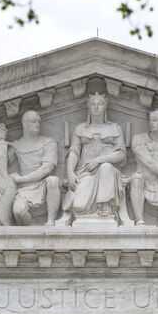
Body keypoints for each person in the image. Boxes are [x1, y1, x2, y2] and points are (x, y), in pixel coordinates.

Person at [64, 93, 126, 223]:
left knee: (106, 167)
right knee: (79, 207)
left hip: (109, 173)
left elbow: (121, 154)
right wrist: (70, 172)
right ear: (88, 107)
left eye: (100, 104)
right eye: (93, 104)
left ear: (105, 107)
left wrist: (98, 160)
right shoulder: (80, 128)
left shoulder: (115, 128)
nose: (96, 107)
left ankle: (105, 207)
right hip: (85, 171)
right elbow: (74, 152)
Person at [0, 111, 61, 225]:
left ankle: (51, 221)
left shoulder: (48, 142)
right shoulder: (16, 145)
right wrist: (0, 142)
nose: (37, 124)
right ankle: (32, 229)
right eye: (33, 121)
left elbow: (46, 168)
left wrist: (21, 179)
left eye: (38, 121)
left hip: (43, 185)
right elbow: (1, 168)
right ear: (24, 124)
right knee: (18, 211)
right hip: (24, 189)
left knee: (53, 180)